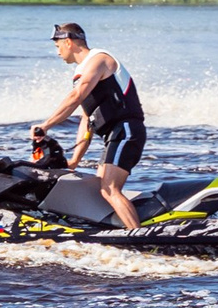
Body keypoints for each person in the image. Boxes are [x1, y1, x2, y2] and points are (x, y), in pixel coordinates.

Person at [36, 21, 145, 230]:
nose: (57, 52)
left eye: (57, 46)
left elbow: (76, 96)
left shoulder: (99, 59)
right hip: (115, 135)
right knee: (101, 189)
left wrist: (46, 125)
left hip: (126, 131)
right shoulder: (81, 72)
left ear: (68, 42)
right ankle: (118, 232)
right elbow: (87, 120)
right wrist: (75, 160)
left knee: (110, 188)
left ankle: (141, 238)